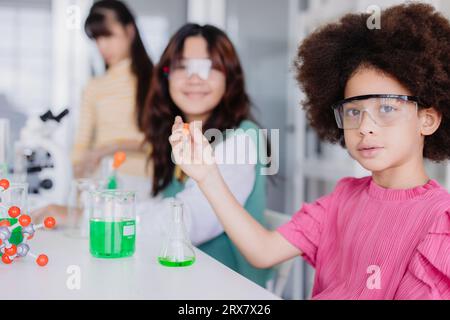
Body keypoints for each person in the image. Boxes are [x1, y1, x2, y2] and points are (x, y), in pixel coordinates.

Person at [168, 3, 450, 299]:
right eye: (353, 112)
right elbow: (263, 251)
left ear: (427, 119)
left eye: (387, 108)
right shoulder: (342, 198)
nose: (365, 126)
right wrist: (207, 175)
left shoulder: (439, 221)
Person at [141, 23, 272, 287]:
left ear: (230, 77)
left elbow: (188, 222)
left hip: (228, 289)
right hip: (178, 279)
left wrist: (106, 217)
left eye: (209, 67)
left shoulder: (242, 137)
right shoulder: (178, 133)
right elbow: (160, 205)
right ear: (166, 75)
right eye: (182, 67)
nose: (195, 79)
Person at [72, 0, 153, 181]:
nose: (102, 46)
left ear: (130, 31)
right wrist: (77, 176)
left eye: (108, 36)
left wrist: (106, 149)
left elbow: (158, 142)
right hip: (100, 182)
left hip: (143, 184)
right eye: (96, 38)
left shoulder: (153, 81)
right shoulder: (94, 86)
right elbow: (80, 145)